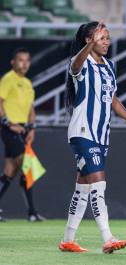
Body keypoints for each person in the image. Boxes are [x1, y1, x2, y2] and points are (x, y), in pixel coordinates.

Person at [59, 21, 126, 253]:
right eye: (102, 38)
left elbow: (113, 99)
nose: (107, 42)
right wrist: (89, 45)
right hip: (83, 132)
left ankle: (68, 239)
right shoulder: (80, 62)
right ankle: (108, 237)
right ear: (89, 41)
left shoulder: (109, 66)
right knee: (99, 183)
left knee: (84, 187)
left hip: (101, 134)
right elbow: (75, 66)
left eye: (108, 37)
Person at [0, 48, 45, 222]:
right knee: (29, 166)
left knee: (10, 171)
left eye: (27, 60)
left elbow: (31, 109)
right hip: (9, 129)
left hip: (22, 129)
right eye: (20, 60)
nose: (24, 63)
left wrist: (32, 128)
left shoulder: (27, 83)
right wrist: (9, 124)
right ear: (13, 62)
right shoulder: (8, 79)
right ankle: (32, 213)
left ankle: (32, 213)